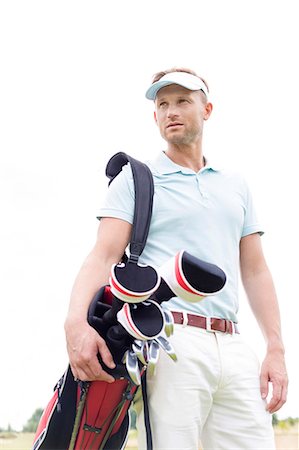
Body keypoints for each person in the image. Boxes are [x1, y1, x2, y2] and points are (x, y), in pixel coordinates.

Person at [64, 67, 288, 449]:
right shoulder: (135, 179)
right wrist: (75, 323)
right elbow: (102, 256)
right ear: (155, 116)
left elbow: (255, 270)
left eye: (183, 100)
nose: (171, 111)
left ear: (207, 109)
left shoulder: (235, 185)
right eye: (162, 104)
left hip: (233, 343)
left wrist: (275, 348)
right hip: (170, 341)